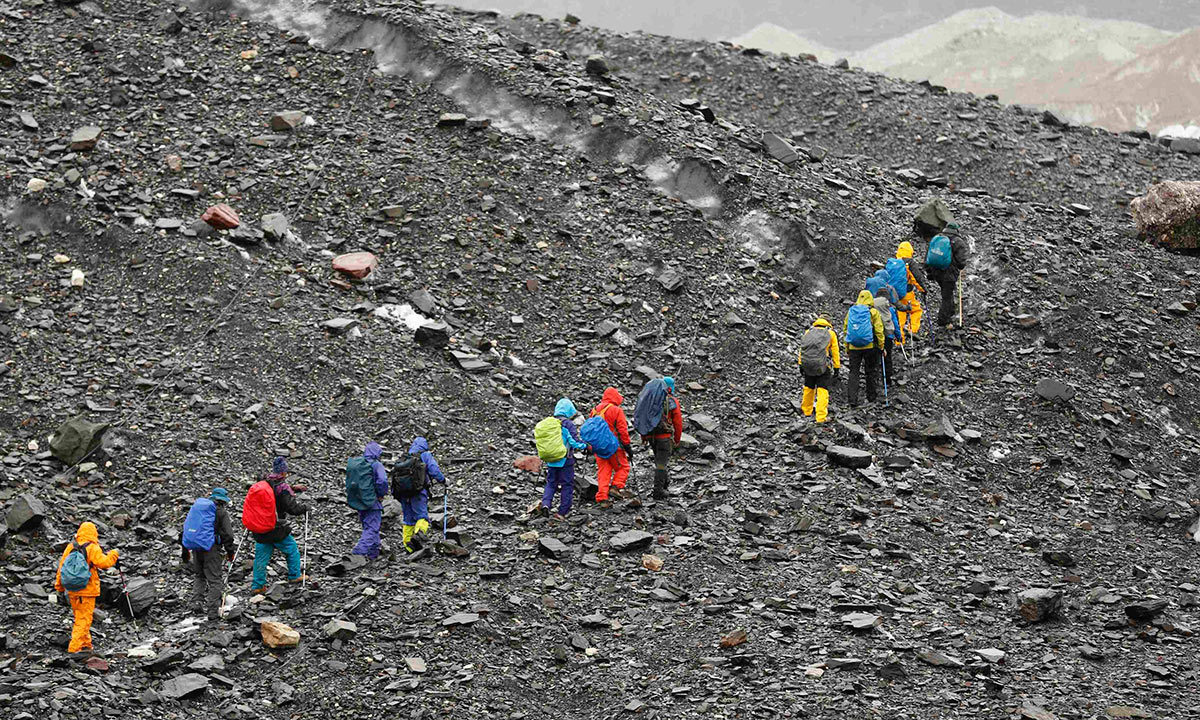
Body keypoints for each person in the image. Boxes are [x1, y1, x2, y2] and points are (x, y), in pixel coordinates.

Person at [54, 521, 119, 655]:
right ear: (94, 533)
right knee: (84, 619)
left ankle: (85, 644)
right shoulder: (92, 547)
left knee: (80, 616)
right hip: (87, 590)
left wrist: (59, 587)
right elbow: (104, 563)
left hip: (72, 589)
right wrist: (114, 554)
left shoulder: (71, 546)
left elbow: (61, 568)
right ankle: (74, 648)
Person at [250, 457, 309, 593]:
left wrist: (293, 488)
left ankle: (258, 586)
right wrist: (304, 507)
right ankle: (295, 575)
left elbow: (276, 491)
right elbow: (291, 508)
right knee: (291, 548)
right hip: (275, 527)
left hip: (260, 526)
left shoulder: (265, 482)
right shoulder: (282, 488)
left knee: (261, 557)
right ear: (283, 473)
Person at [181, 488, 236, 620]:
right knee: (215, 580)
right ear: (223, 501)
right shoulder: (221, 512)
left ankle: (196, 604)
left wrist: (185, 551)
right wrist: (230, 552)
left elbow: (186, 528)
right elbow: (228, 535)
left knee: (199, 576)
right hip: (211, 549)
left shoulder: (199, 510)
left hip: (196, 547)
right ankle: (212, 612)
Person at [538, 399, 589, 519]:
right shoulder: (567, 424)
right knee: (567, 485)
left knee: (551, 483)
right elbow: (574, 442)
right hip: (566, 460)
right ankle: (562, 511)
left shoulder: (549, 423)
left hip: (551, 459)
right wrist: (586, 446)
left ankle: (546, 504)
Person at [400, 437, 447, 552]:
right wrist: (443, 480)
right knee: (422, 516)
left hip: (403, 493)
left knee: (408, 520)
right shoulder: (424, 455)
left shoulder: (405, 456)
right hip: (418, 491)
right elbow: (434, 470)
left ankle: (409, 547)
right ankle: (418, 538)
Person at [590, 387, 633, 508]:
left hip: (598, 447)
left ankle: (602, 498)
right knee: (623, 467)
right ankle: (615, 487)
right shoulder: (616, 410)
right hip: (613, 447)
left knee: (603, 471)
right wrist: (627, 446)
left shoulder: (594, 410)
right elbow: (622, 430)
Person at [843, 289, 886, 408]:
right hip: (869, 346)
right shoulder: (873, 312)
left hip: (853, 347)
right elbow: (878, 330)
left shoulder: (851, 311)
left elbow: (846, 330)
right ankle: (871, 397)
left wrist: (847, 347)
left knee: (854, 372)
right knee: (870, 372)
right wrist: (881, 346)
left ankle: (852, 400)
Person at [925, 222, 971, 329]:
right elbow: (961, 262)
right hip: (949, 273)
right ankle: (943, 320)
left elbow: (928, 256)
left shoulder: (937, 238)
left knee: (946, 292)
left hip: (936, 271)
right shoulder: (958, 241)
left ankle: (950, 312)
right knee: (947, 296)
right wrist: (959, 268)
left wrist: (929, 271)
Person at [644, 377, 684, 499]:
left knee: (659, 460)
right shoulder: (671, 401)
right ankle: (658, 490)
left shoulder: (650, 400)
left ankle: (665, 484)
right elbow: (677, 422)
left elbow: (643, 418)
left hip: (651, 436)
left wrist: (644, 436)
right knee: (661, 463)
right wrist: (677, 439)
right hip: (664, 437)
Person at [798, 317, 841, 424]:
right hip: (822, 365)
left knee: (809, 386)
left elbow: (803, 348)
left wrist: (800, 364)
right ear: (828, 322)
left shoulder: (808, 331)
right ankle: (821, 417)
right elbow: (835, 351)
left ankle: (806, 411)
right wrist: (837, 367)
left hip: (807, 363)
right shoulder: (830, 333)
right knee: (822, 389)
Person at [350, 442, 389, 560]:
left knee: (370, 526)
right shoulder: (376, 465)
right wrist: (381, 494)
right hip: (373, 501)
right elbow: (382, 481)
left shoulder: (359, 464)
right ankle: (357, 553)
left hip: (360, 500)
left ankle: (373, 554)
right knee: (372, 528)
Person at [892, 241, 928, 339]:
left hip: (895, 294)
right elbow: (916, 278)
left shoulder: (893, 263)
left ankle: (899, 340)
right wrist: (923, 290)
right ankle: (911, 329)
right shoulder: (909, 263)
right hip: (907, 292)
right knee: (916, 310)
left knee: (901, 312)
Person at [873, 287, 900, 384]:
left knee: (875, 356)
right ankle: (888, 379)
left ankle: (875, 378)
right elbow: (895, 323)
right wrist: (898, 336)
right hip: (888, 334)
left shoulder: (871, 307)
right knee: (887, 356)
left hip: (875, 334)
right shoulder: (890, 308)